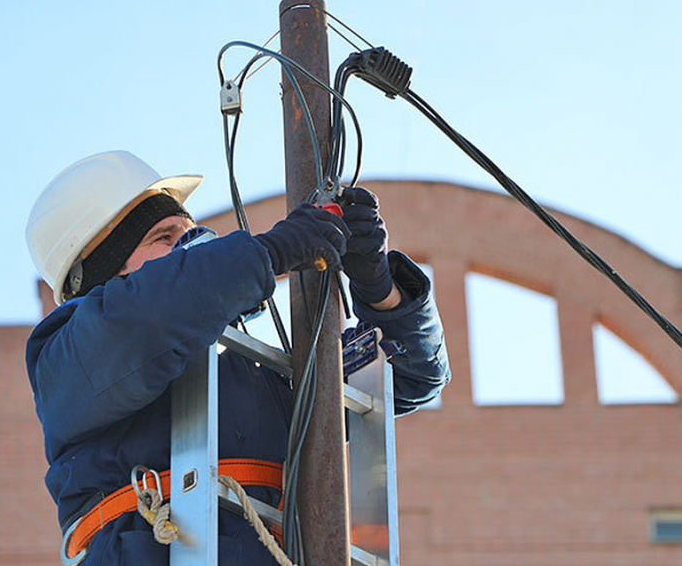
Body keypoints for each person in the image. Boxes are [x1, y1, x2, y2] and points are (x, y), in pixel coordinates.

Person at [24, 150, 450, 565]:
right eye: (164, 237)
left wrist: (382, 291)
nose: (191, 244)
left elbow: (408, 378)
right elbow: (147, 316)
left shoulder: (257, 382)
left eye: (187, 230)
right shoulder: (66, 357)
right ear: (106, 272)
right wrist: (269, 253)